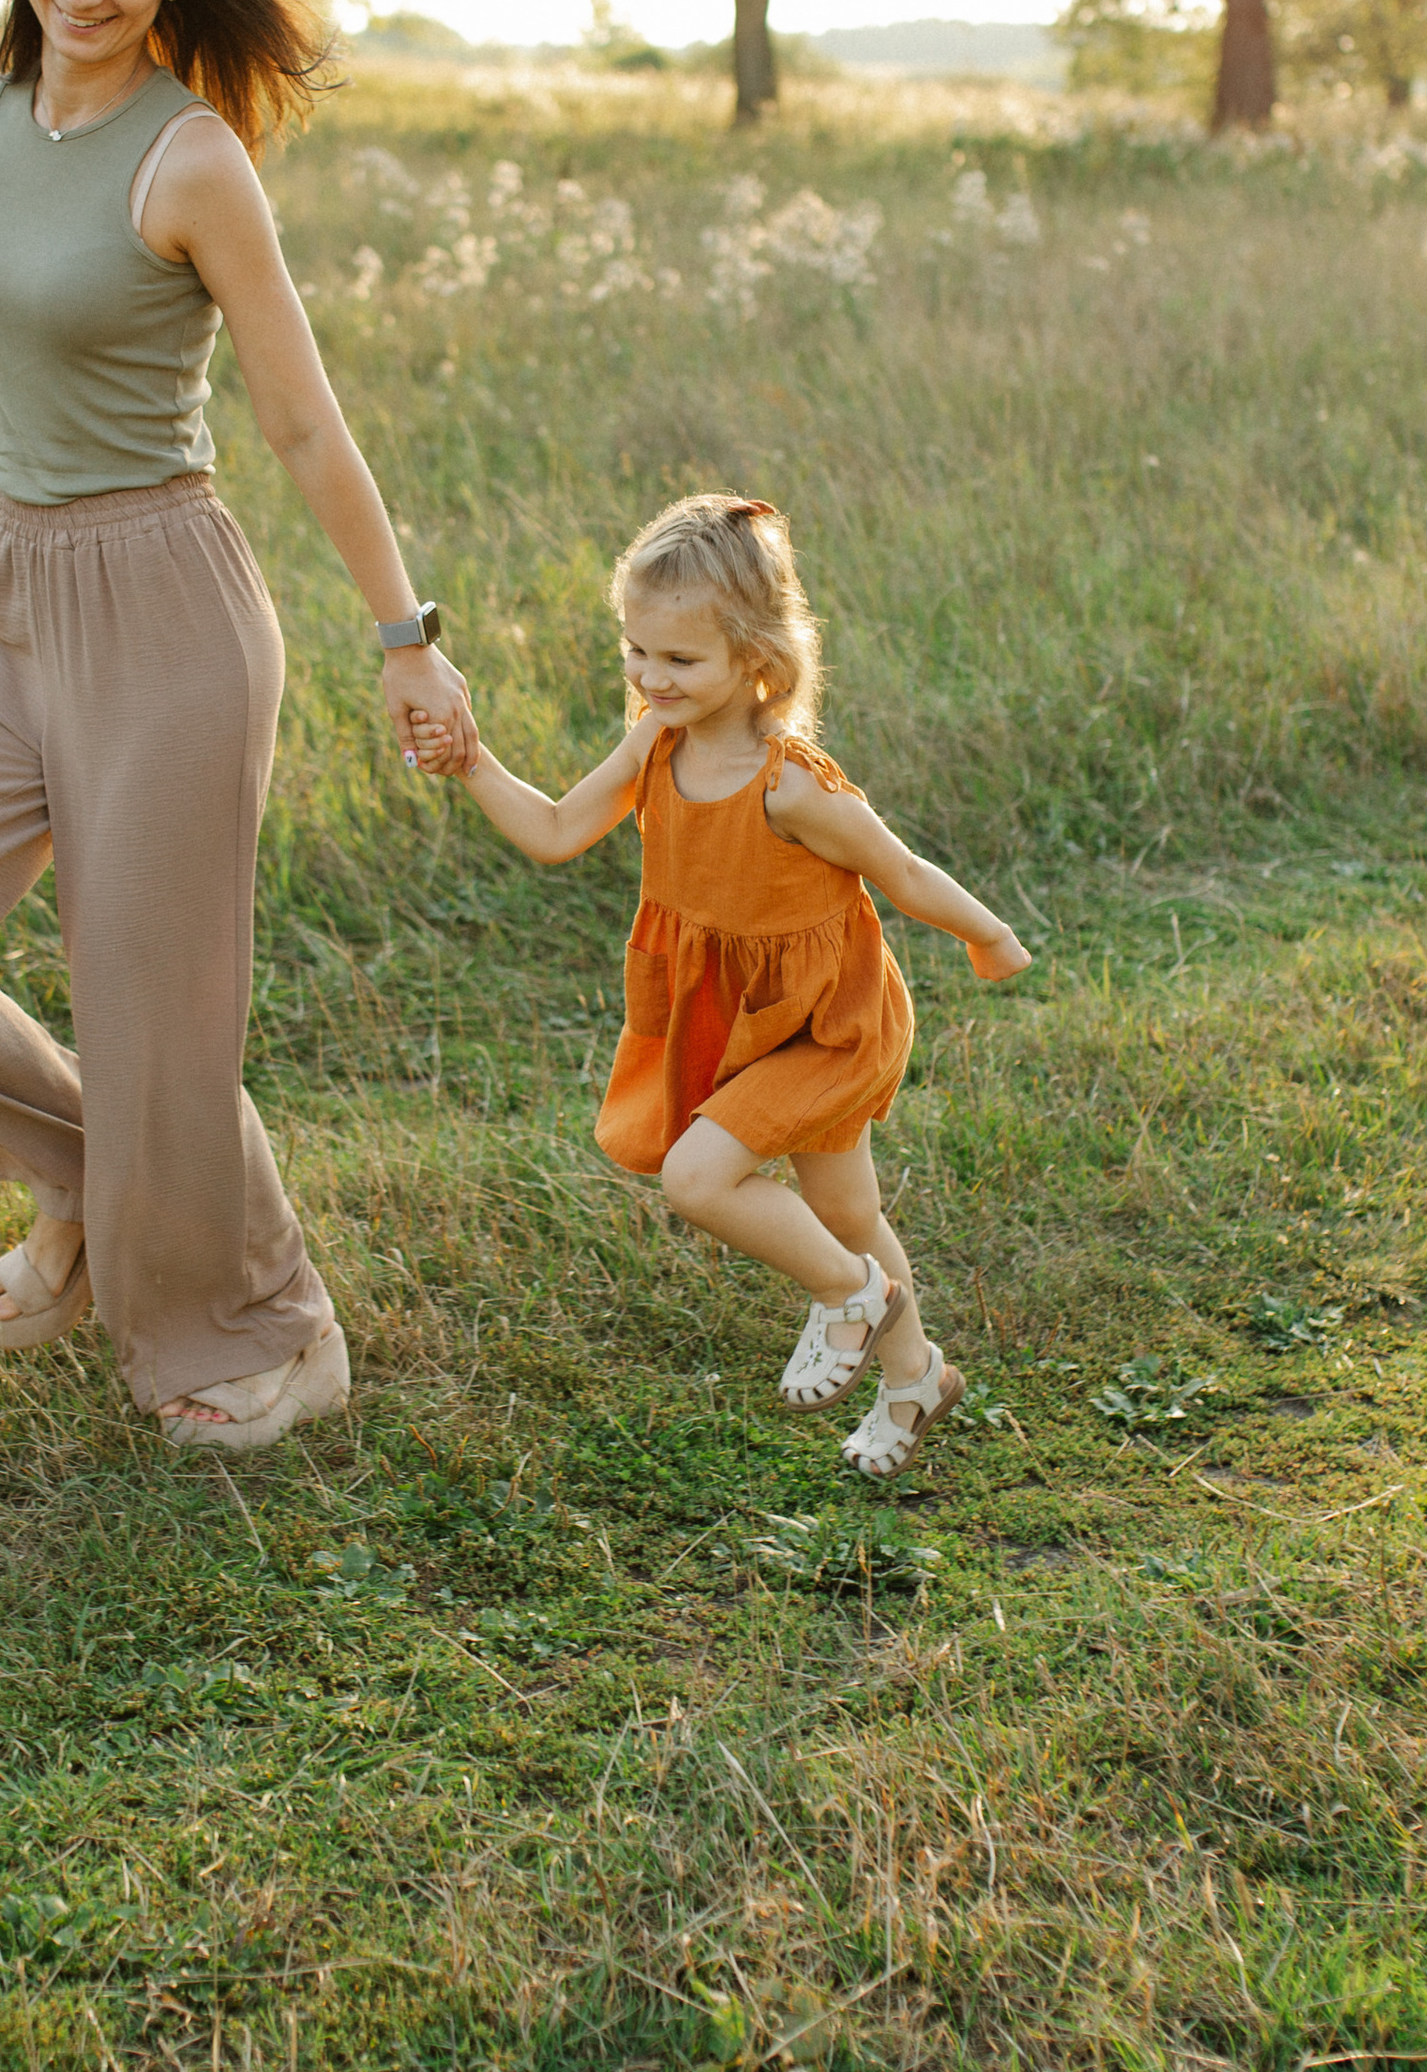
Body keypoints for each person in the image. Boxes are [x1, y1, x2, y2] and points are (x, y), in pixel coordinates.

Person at [0, 0, 475, 1452]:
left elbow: (303, 423)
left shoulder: (192, 158)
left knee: (154, 1007)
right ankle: (84, 1187)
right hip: (16, 594)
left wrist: (409, 639)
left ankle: (266, 1326)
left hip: (170, 604)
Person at [428, 494, 1028, 1475]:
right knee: (846, 1215)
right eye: (636, 652)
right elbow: (551, 832)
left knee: (698, 1178)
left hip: (828, 1025)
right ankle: (915, 1377)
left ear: (756, 655)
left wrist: (989, 935)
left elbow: (903, 872)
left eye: (678, 660)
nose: (650, 678)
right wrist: (472, 763)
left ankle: (850, 1295)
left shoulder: (790, 786)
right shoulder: (653, 747)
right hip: (737, 1018)